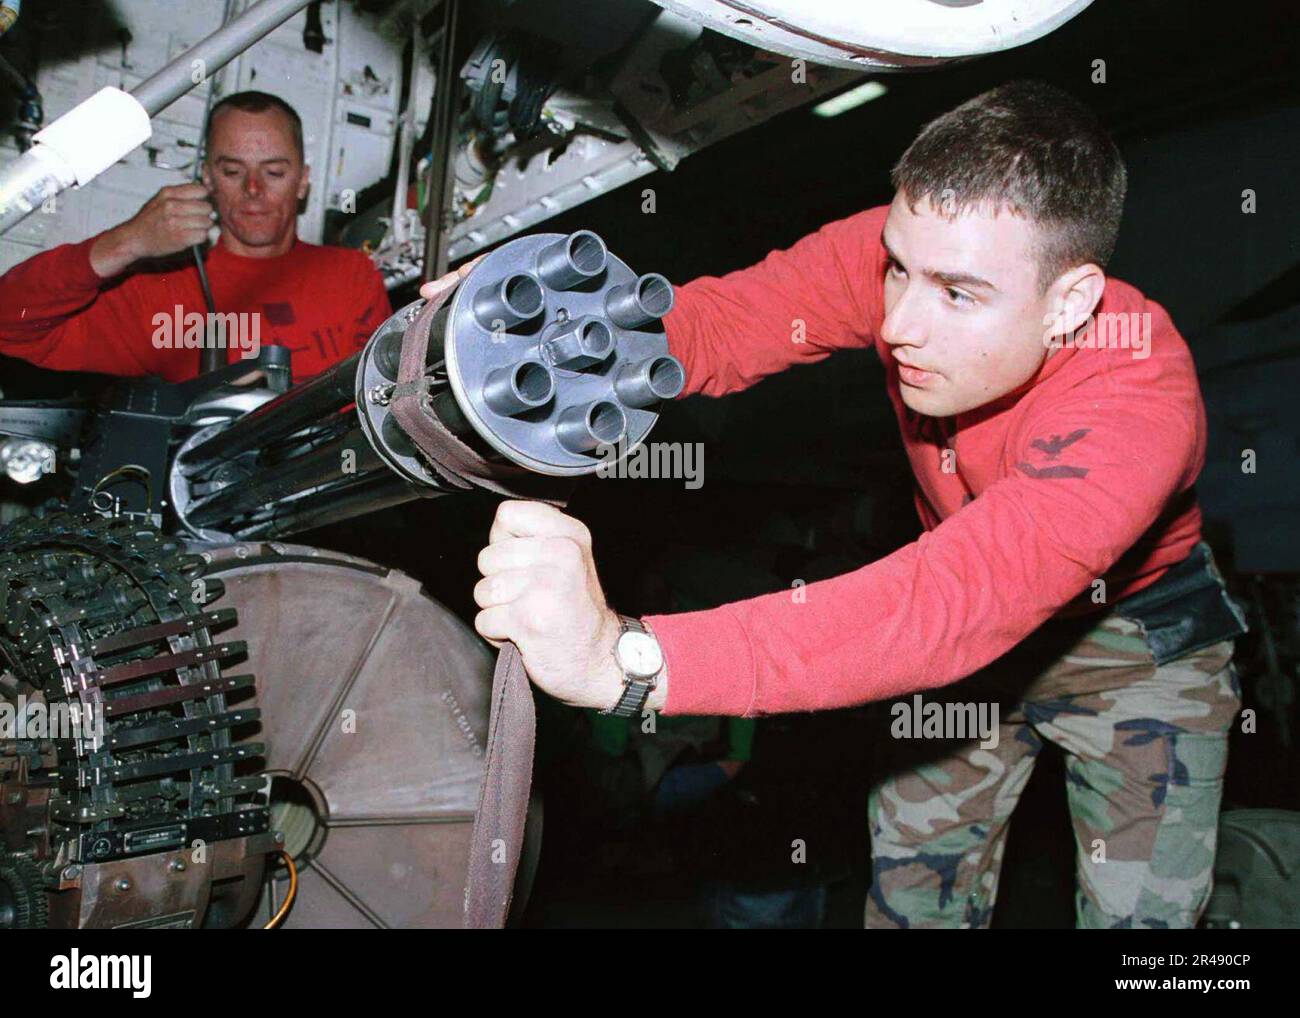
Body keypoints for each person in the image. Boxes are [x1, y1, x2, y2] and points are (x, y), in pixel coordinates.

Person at [456, 81, 1248, 928]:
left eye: (958, 294)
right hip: (968, 646)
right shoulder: (905, 266)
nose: (899, 321)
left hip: (1129, 649)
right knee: (912, 906)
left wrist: (629, 662)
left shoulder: (1137, 403)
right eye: (899, 267)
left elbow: (951, 603)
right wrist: (540, 330)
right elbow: (719, 325)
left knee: (1152, 938)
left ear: (1072, 302)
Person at [0, 91, 390, 384]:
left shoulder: (350, 275)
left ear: (303, 181)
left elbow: (382, 388)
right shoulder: (159, 292)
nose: (253, 189)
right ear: (206, 177)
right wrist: (125, 242)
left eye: (273, 172)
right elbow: (8, 323)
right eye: (233, 171)